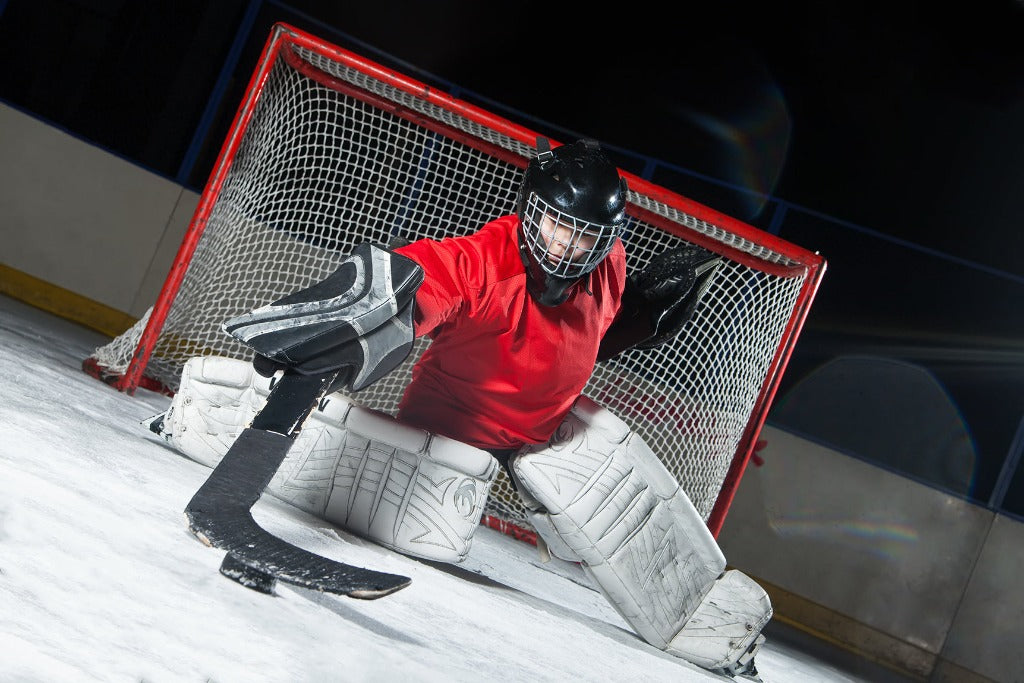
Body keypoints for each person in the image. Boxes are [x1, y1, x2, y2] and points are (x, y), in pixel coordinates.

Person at [152, 138, 768, 679]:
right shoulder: (480, 263)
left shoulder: (606, 266)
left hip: (542, 441)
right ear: (530, 211)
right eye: (556, 226)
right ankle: (210, 416)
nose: (566, 247)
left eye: (584, 235)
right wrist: (339, 337)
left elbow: (585, 340)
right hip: (447, 443)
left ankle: (706, 628)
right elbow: (408, 288)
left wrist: (643, 316)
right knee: (431, 537)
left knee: (630, 509)